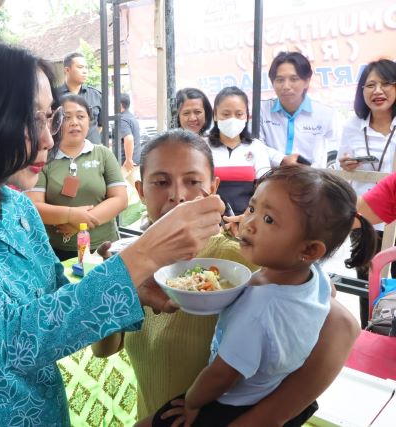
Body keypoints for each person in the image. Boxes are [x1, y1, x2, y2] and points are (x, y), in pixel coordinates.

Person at [0, 40, 225, 426]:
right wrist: (143, 254)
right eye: (33, 121)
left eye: (50, 119)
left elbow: (55, 299)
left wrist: (135, 288)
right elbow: (13, 338)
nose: (48, 139)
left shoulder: (18, 208)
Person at [92, 129, 361, 426]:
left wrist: (267, 417)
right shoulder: (130, 263)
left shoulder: (242, 261)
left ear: (213, 188)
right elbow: (104, 349)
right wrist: (118, 284)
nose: (178, 195)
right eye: (161, 182)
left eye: (193, 182)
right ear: (141, 191)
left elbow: (342, 326)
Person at [145, 165, 376, 427]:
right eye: (253, 209)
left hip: (226, 404)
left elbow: (220, 376)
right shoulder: (316, 276)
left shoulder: (257, 311)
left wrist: (191, 403)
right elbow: (329, 294)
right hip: (270, 387)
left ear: (309, 249)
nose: (249, 223)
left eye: (269, 220)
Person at [27, 94, 128, 260]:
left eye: (81, 116)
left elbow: (120, 199)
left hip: (104, 249)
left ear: (89, 121)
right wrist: (70, 215)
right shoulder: (45, 158)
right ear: (55, 122)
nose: (75, 122)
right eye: (67, 117)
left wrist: (79, 223)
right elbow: (34, 206)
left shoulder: (103, 154)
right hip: (58, 252)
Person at [339, 59, 396, 283]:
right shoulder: (353, 125)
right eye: (370, 85)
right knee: (368, 282)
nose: (378, 91)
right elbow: (339, 169)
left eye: (386, 84)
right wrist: (344, 165)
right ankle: (370, 320)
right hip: (364, 217)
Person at [259, 51, 341, 168]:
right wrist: (281, 159)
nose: (286, 86)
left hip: (311, 180)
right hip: (271, 180)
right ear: (272, 82)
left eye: (294, 79)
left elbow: (339, 148)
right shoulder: (261, 110)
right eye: (280, 80)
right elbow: (255, 146)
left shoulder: (326, 114)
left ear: (306, 81)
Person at [208, 86, 273, 214]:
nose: (232, 119)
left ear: (247, 116)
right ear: (215, 115)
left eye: (239, 114)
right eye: (226, 114)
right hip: (212, 220)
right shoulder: (203, 147)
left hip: (248, 220)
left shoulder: (256, 147)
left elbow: (265, 187)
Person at [58, 52, 104, 144]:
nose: (85, 71)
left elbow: (100, 125)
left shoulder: (96, 95)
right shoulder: (54, 96)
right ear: (67, 70)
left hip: (92, 152)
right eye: (80, 67)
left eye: (86, 67)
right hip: (64, 152)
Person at [118, 92, 142, 187]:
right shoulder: (132, 118)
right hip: (135, 161)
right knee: (139, 189)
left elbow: (129, 139)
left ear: (119, 105)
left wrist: (128, 160)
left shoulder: (122, 119)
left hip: (126, 163)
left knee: (113, 187)